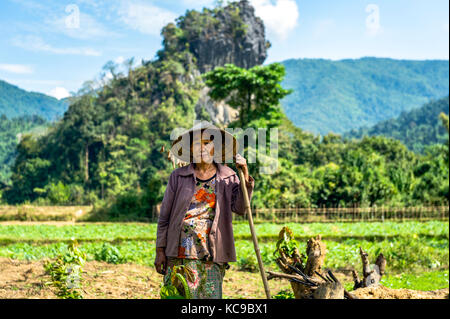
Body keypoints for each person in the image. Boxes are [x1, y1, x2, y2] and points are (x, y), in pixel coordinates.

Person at [154, 121, 254, 299]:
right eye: (197, 143)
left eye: (207, 143)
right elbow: (165, 218)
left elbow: (240, 208)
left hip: (212, 251)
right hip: (178, 252)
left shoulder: (228, 176)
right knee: (179, 296)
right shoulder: (178, 176)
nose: (202, 147)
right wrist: (160, 251)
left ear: (215, 147)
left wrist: (244, 173)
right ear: (190, 148)